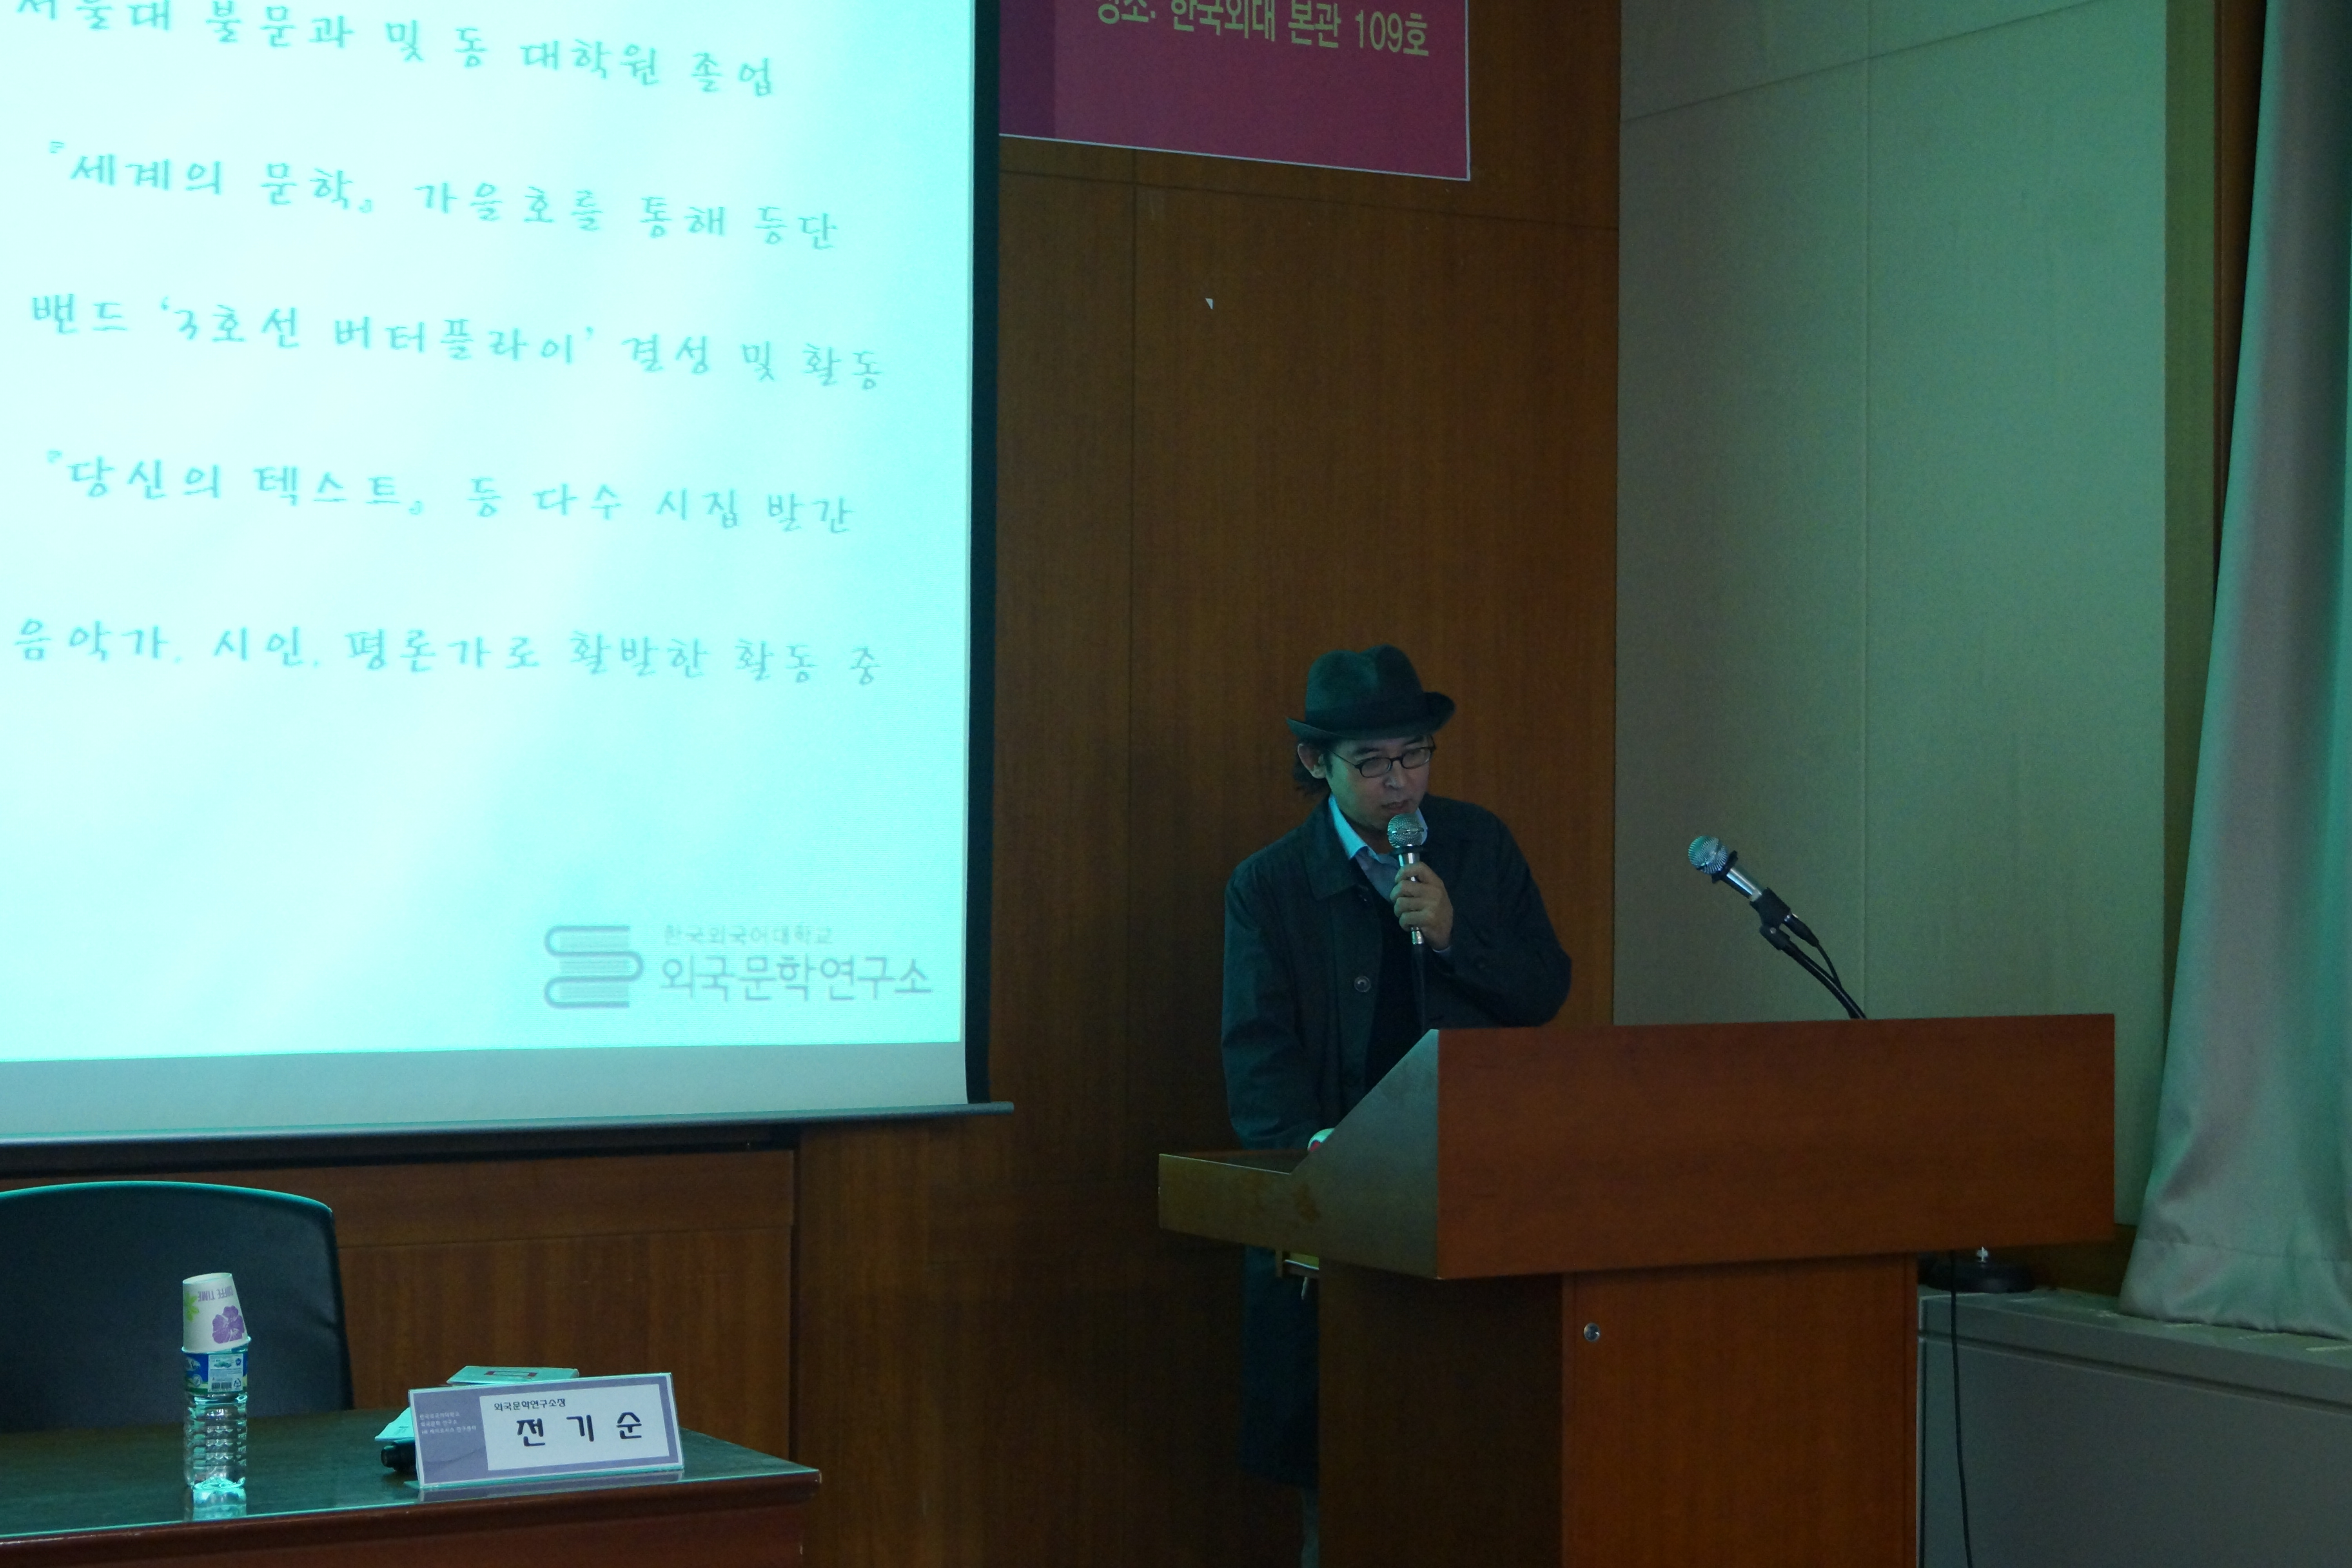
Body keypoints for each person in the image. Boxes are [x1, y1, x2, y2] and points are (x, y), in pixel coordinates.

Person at [1220, 644, 1573, 1560]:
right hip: (1340, 1223)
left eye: (1415, 755)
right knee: (1346, 1488)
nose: (1400, 782)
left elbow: (1544, 988)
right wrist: (1319, 1148)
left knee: (1483, 1472)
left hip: (1477, 1208)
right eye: (1372, 762)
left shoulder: (1479, 845)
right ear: (1317, 763)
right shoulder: (1271, 885)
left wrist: (1455, 936)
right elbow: (1257, 1056)